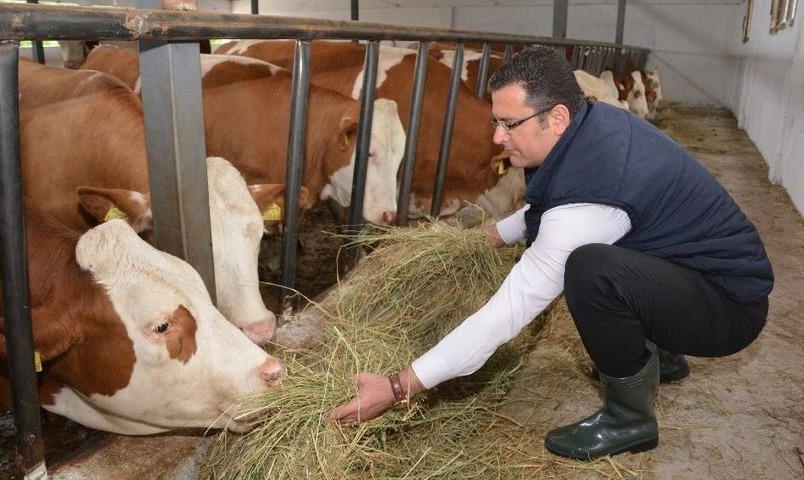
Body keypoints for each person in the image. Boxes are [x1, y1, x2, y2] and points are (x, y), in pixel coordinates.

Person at [330, 45, 773, 460]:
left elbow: (509, 309)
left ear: (557, 117)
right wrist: (492, 235)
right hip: (694, 276)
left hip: (727, 310)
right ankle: (662, 358)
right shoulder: (590, 126)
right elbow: (555, 205)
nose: (498, 138)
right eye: (496, 122)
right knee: (603, 259)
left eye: (510, 124)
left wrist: (400, 385)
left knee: (590, 272)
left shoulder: (594, 191)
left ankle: (630, 419)